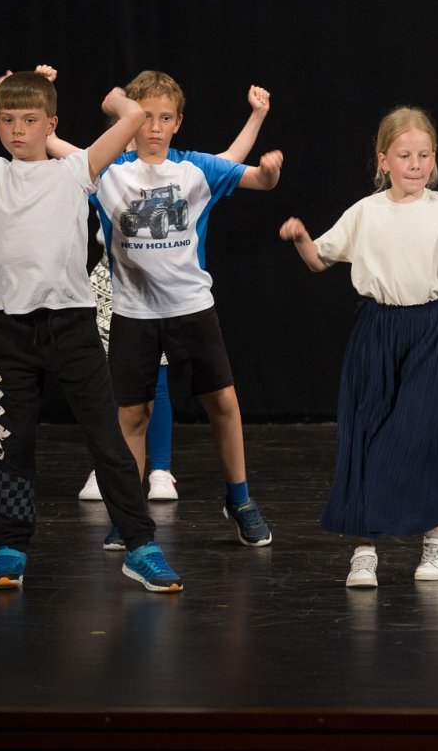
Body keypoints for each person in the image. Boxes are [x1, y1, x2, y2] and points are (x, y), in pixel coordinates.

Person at [0, 67, 183, 592]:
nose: (17, 130)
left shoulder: (76, 170)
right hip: (10, 330)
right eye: (7, 120)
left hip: (71, 325)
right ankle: (9, 547)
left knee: (107, 440)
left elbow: (132, 114)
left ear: (51, 125)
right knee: (12, 443)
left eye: (29, 120)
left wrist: (113, 99)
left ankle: (140, 545)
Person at [280, 107, 438, 587]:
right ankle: (364, 549)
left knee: (414, 432)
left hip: (426, 329)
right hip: (376, 329)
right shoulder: (365, 212)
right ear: (383, 160)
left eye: (424, 155)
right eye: (404, 155)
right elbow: (319, 260)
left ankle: (437, 534)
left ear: (434, 158)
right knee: (364, 431)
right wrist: (300, 239)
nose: (415, 164)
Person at [52, 70, 283, 548]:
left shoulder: (194, 168)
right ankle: (128, 515)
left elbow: (257, 179)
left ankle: (240, 500)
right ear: (130, 120)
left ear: (178, 122)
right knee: (131, 416)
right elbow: (53, 146)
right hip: (134, 315)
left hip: (192, 309)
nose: (154, 127)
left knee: (223, 403)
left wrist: (270, 170)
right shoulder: (107, 169)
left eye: (164, 118)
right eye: (145, 117)